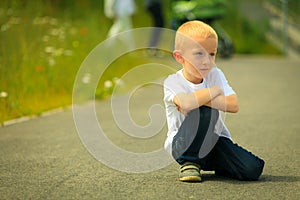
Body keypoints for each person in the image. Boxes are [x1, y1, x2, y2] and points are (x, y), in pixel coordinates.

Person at [163, 20, 264, 182]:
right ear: (179, 57)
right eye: (199, 54)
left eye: (212, 54)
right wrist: (214, 91)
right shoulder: (173, 82)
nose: (207, 61)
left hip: (214, 142)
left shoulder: (215, 75)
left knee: (253, 168)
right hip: (182, 144)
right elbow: (187, 104)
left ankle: (217, 164)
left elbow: (233, 104)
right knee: (206, 112)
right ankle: (190, 162)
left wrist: (197, 99)